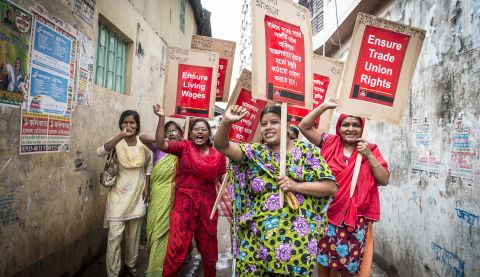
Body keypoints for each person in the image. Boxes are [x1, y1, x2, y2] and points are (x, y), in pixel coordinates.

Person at [214, 105, 338, 276]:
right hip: (255, 242)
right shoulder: (254, 153)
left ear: (287, 125)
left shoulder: (306, 152)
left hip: (295, 244)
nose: (268, 127)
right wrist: (226, 122)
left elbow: (330, 187)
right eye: (264, 124)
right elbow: (222, 146)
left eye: (274, 122)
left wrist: (295, 186)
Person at [298, 97, 390, 276]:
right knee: (324, 260)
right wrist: (325, 106)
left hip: (355, 221)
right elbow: (304, 127)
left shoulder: (370, 148)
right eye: (345, 124)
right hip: (327, 215)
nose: (350, 129)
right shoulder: (328, 142)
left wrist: (369, 155)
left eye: (355, 125)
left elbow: (384, 179)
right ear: (338, 127)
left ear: (362, 128)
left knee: (350, 266)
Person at [151, 104, 226, 277]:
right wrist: (161, 118)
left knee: (208, 248)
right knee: (176, 246)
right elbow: (161, 144)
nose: (200, 132)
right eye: (196, 129)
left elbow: (222, 177)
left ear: (209, 134)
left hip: (208, 205)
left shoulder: (218, 154)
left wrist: (230, 178)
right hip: (184, 203)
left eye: (203, 129)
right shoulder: (184, 147)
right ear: (191, 133)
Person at [96, 110, 152, 277]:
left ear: (137, 125)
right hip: (118, 195)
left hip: (137, 195)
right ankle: (113, 272)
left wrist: (147, 187)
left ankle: (130, 264)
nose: (129, 126)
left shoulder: (143, 145)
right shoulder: (116, 142)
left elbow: (148, 166)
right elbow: (100, 151)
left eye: (132, 123)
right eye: (125, 122)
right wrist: (120, 136)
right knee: (114, 237)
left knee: (134, 235)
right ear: (121, 124)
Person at [139, 121, 183, 277]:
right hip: (158, 193)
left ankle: (160, 268)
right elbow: (142, 137)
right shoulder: (159, 147)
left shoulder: (184, 149)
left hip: (175, 194)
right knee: (153, 228)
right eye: (168, 131)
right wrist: (162, 139)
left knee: (168, 231)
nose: (171, 133)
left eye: (174, 131)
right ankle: (154, 262)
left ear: (181, 133)